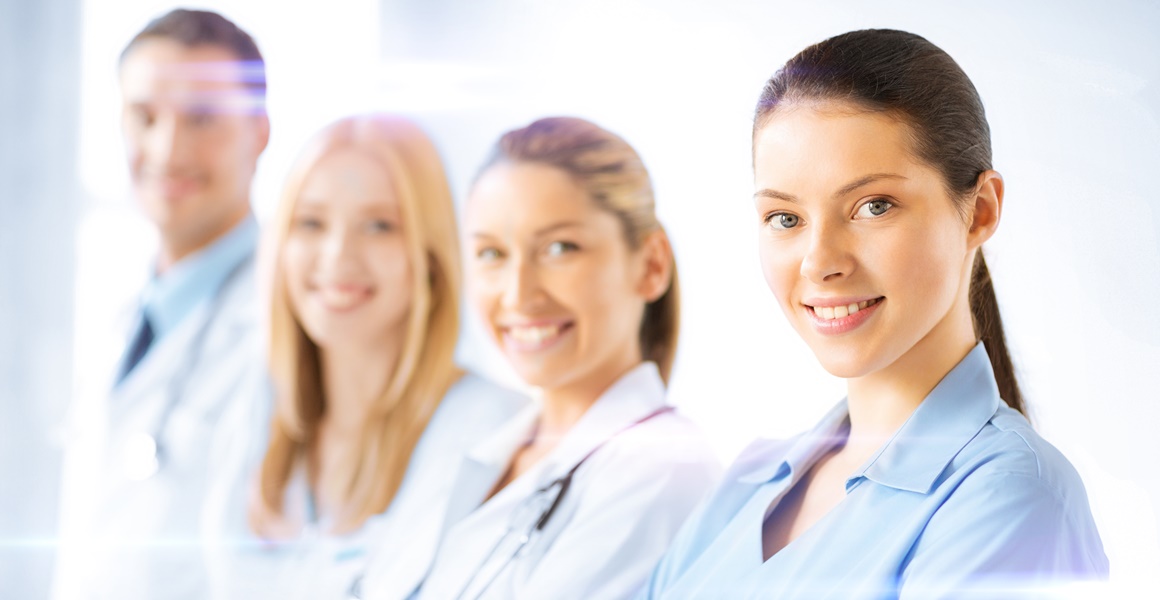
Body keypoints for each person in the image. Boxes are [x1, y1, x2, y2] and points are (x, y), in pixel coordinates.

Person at [639, 29, 1109, 599]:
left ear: (979, 212)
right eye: (785, 218)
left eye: (873, 206)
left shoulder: (1013, 498)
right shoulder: (749, 480)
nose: (820, 262)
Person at [384, 117, 720, 600]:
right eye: (492, 254)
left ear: (650, 266)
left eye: (559, 248)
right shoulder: (481, 449)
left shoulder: (661, 473)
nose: (518, 294)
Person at [201, 113, 527, 600]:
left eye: (379, 226)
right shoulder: (256, 423)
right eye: (311, 223)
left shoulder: (492, 434)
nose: (338, 256)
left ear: (430, 255)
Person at [53, 9, 270, 600]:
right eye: (144, 116)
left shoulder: (288, 327)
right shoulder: (123, 318)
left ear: (260, 133)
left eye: (202, 118)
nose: (167, 148)